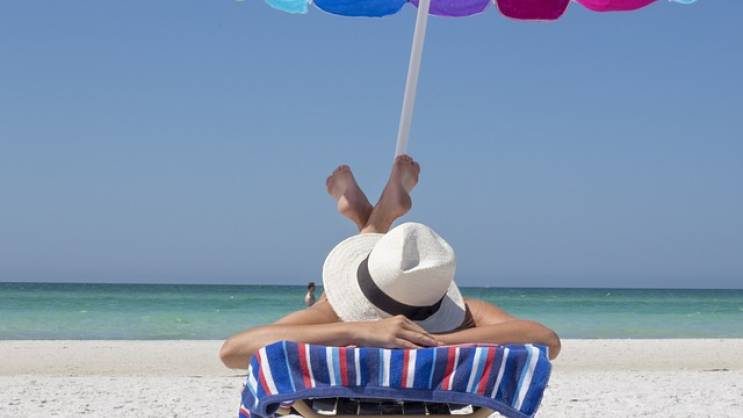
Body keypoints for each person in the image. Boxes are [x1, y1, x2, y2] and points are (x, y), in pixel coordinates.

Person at [220, 155, 561, 369]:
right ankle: (376, 217)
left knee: (329, 300)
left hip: (346, 334)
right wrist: (437, 341)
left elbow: (233, 350)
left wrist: (359, 331)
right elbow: (546, 339)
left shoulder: (334, 314)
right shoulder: (468, 317)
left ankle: (377, 219)